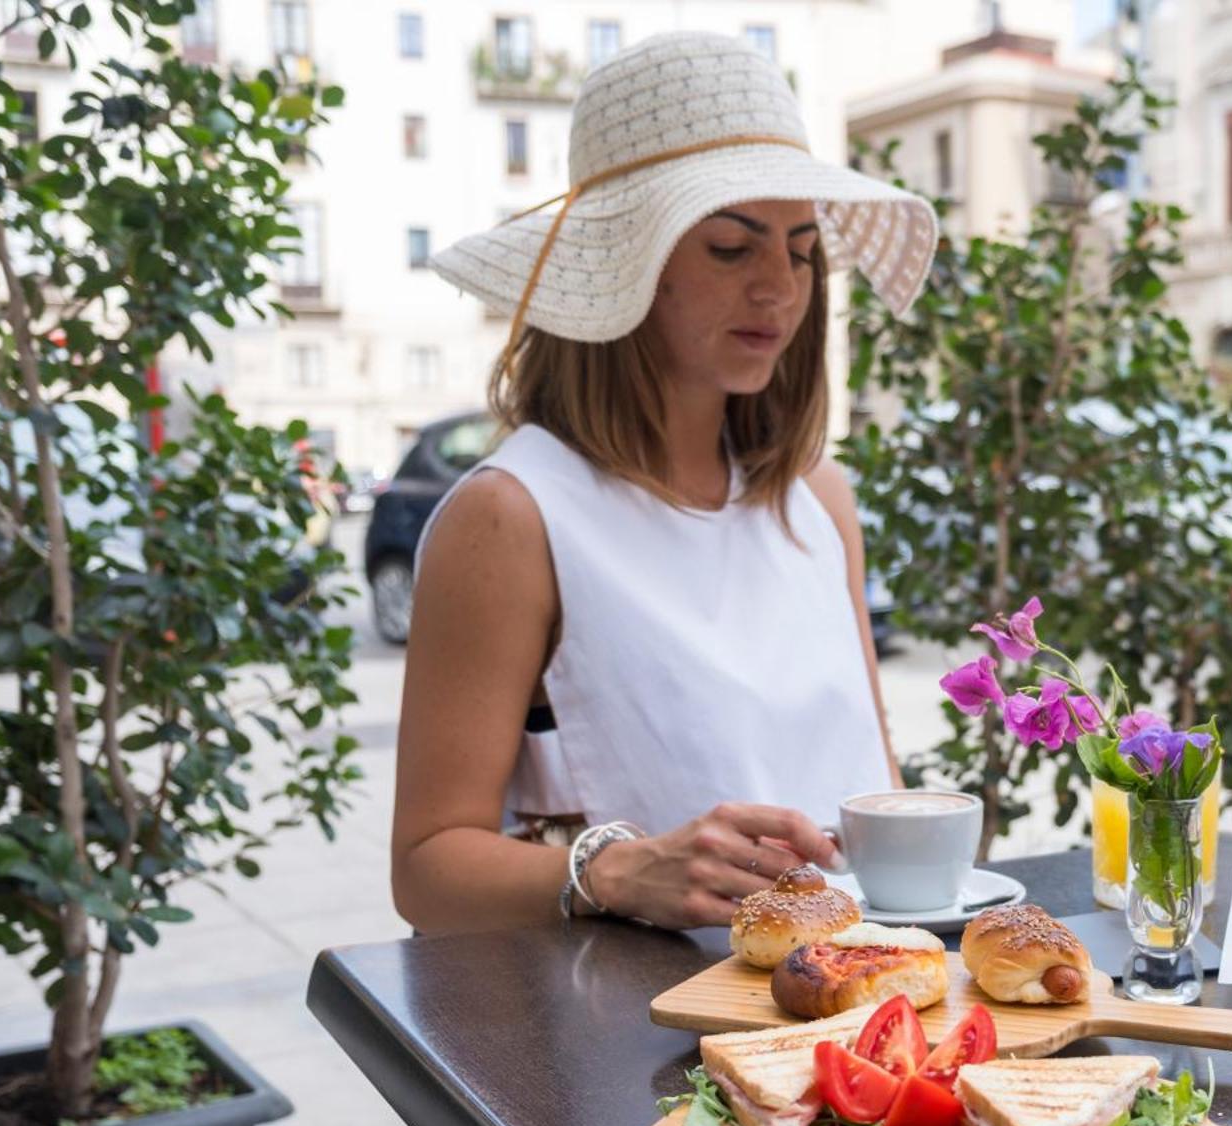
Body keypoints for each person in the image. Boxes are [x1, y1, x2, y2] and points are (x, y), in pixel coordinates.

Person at [389, 32, 939, 939]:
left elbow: (869, 787)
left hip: (865, 1018)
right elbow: (426, 869)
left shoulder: (817, 499)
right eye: (732, 246)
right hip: (641, 1046)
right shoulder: (512, 515)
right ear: (621, 266)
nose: (780, 287)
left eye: (802, 251)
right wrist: (617, 871)